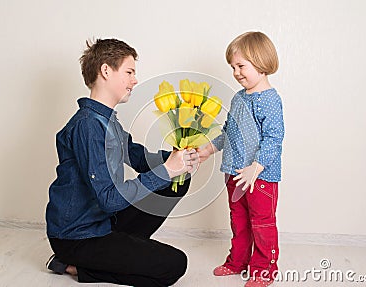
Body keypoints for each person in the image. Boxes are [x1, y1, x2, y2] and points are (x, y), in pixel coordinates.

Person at [45, 38, 199, 287]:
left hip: (103, 222)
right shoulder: (88, 125)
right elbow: (108, 199)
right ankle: (76, 266)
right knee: (174, 265)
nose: (135, 80)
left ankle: (118, 251)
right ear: (105, 70)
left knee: (177, 180)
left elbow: (137, 156)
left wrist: (179, 156)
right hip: (78, 236)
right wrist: (167, 169)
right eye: (129, 72)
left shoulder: (106, 121)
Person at [198, 31, 284, 287]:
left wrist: (256, 167)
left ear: (260, 63)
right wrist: (208, 149)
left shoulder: (270, 100)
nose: (236, 72)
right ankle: (237, 261)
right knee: (239, 220)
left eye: (241, 66)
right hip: (234, 174)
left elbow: (274, 138)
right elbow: (229, 131)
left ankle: (264, 270)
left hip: (259, 177)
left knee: (262, 223)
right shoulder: (238, 97)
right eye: (233, 67)